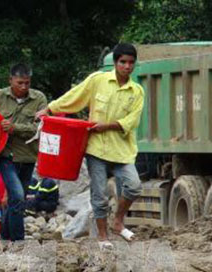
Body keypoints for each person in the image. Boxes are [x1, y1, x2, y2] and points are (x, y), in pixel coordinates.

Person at [36, 43, 144, 249]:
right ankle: (103, 237)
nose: (127, 66)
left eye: (131, 63)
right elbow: (75, 96)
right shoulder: (98, 80)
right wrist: (49, 108)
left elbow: (132, 121)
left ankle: (118, 221)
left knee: (134, 186)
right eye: (123, 62)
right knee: (99, 196)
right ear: (115, 63)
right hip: (97, 149)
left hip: (122, 151)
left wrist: (107, 126)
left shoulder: (137, 91)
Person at [0, 63, 47, 241]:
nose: (24, 87)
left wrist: (15, 128)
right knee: (19, 196)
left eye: (27, 83)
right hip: (6, 156)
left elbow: (41, 127)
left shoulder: (39, 99)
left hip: (28, 156)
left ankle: (5, 237)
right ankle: (19, 241)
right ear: (10, 80)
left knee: (15, 201)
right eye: (20, 83)